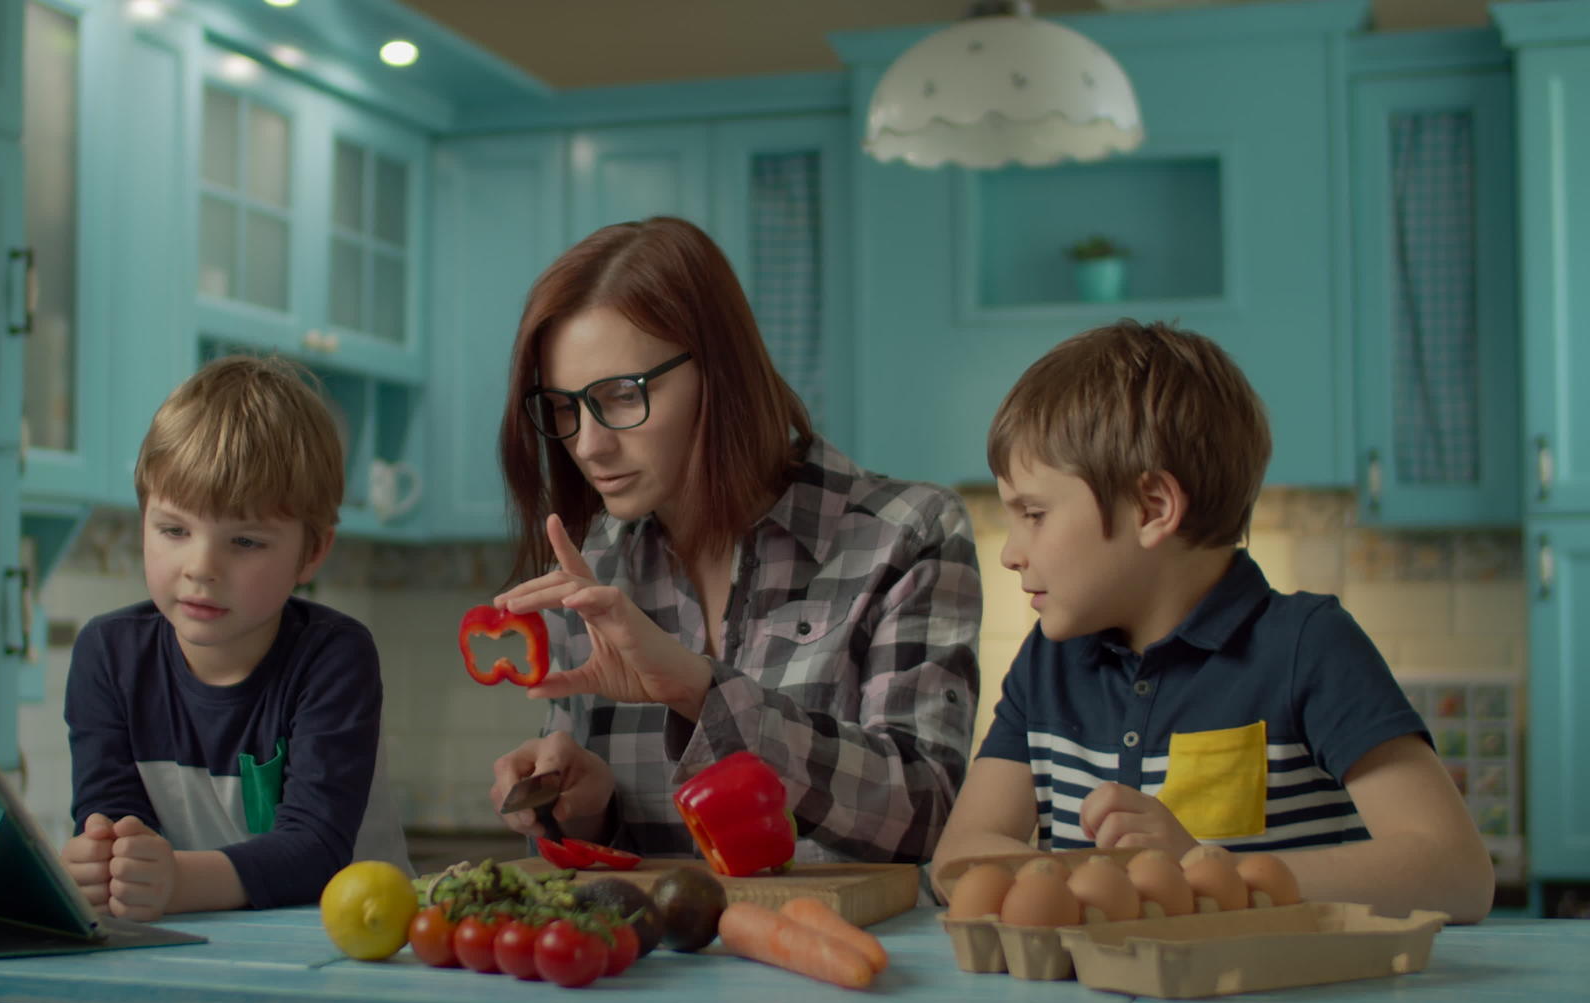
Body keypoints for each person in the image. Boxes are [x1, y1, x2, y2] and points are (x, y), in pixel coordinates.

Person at [933, 320, 1494, 922]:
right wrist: (1090, 886)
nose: (1011, 551)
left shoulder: (1308, 647)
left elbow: (1457, 873)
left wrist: (1206, 871)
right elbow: (958, 855)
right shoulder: (1050, 660)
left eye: (1034, 513)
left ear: (1153, 509)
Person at [485, 216, 982, 866]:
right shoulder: (594, 564)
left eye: (621, 395)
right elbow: (624, 868)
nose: (587, 443)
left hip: (848, 962)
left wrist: (699, 689)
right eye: (563, 407)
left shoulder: (908, 534)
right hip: (661, 969)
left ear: (721, 372)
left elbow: (924, 811)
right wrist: (589, 804)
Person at [58, 354, 407, 921]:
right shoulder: (107, 654)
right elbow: (112, 817)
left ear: (312, 552)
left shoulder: (334, 657)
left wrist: (171, 880)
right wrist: (103, 863)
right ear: (143, 519)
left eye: (244, 541)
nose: (201, 567)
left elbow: (316, 851)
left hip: (350, 948)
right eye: (174, 529)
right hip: (195, 951)